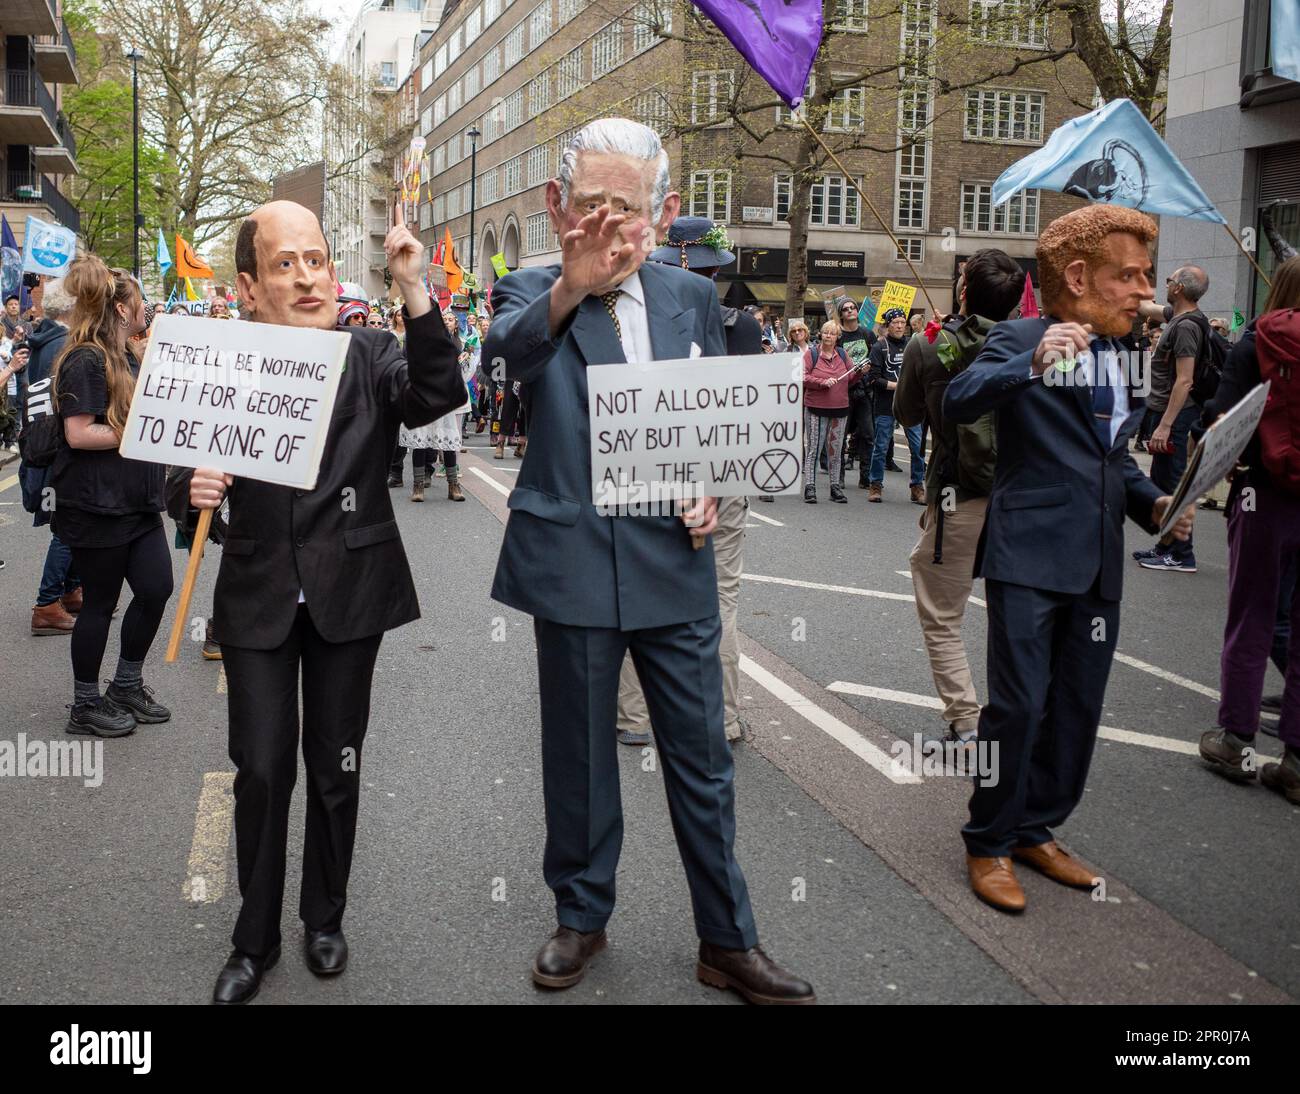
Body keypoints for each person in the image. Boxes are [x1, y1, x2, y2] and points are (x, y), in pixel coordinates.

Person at [485, 117, 813, 1004]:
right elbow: (505, 360)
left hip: (675, 559)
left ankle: (728, 939)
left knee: (703, 760)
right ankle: (581, 919)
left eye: (624, 210)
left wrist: (708, 479)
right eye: (589, 205)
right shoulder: (529, 287)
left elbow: (710, 418)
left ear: (661, 216)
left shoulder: (688, 298)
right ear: (559, 208)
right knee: (581, 758)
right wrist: (569, 290)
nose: (606, 226)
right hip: (575, 560)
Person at [186, 200, 463, 1004]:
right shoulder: (222, 361)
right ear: (247, 284)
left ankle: (325, 917)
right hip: (258, 593)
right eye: (284, 264)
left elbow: (438, 392)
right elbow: (178, 463)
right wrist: (188, 487)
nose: (306, 277)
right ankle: (254, 939)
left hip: (351, 591)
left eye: (315, 260)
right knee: (262, 768)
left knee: (335, 765)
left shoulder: (373, 354)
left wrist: (413, 289)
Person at [944, 205, 1195, 914]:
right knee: (1018, 707)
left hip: (1097, 563)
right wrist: (1030, 362)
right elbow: (958, 402)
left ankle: (1034, 828)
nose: (1145, 289)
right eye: (1130, 275)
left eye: (1149, 274)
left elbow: (1112, 459)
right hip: (1028, 556)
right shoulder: (1020, 336)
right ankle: (987, 839)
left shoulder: (1125, 357)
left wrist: (1154, 507)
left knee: (1076, 708)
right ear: (1079, 277)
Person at [615, 215, 757, 748]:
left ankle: (633, 715)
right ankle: (722, 717)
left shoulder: (636, 318)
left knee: (639, 587)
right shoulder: (741, 324)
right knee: (720, 598)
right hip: (721, 466)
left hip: (650, 466)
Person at [895, 249, 1024, 752]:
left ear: (964, 291)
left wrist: (930, 354)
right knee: (1018, 615)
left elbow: (906, 413)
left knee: (942, 613)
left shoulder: (931, 347)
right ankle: (1018, 720)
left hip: (958, 495)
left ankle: (967, 723)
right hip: (1021, 498)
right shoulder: (1036, 346)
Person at [47, 258, 172, 739]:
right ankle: (84, 704)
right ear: (122, 309)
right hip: (96, 504)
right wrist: (136, 430)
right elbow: (79, 434)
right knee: (100, 602)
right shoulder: (85, 358)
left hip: (137, 501)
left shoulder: (129, 356)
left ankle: (125, 684)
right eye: (140, 304)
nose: (145, 311)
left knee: (156, 587)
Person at [1198, 255, 1300, 803]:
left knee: (1253, 617)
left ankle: (1237, 739)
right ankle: (1296, 762)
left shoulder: (1257, 342)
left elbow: (1221, 419)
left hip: (1264, 493)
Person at [1132, 264, 1212, 572]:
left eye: (1170, 279)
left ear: (1178, 288)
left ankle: (1182, 553)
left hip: (1176, 417)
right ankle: (1165, 545)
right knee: (1162, 480)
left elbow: (1185, 380)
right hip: (1166, 414)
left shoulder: (1186, 327)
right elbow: (1146, 306)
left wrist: (1166, 424)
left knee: (1176, 482)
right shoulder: (1178, 316)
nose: (1166, 282)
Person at [19, 278, 83, 635]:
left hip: (42, 448)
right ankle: (46, 604)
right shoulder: (63, 344)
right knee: (67, 526)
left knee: (66, 521)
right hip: (57, 449)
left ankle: (71, 589)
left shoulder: (42, 340)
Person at [400, 306, 469, 503]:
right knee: (419, 441)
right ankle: (418, 485)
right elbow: (405, 363)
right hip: (420, 394)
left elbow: (453, 360)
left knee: (448, 440)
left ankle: (453, 484)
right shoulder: (411, 339)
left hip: (443, 394)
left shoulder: (446, 338)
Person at [866, 307, 925, 504]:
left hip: (911, 405)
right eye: (895, 323)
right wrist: (898, 386)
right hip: (885, 405)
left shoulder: (914, 345)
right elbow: (874, 379)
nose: (899, 326)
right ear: (888, 325)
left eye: (902, 322)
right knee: (881, 447)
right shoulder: (879, 347)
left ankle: (917, 486)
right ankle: (875, 485)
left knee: (917, 448)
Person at [801, 320, 856, 504]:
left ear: (837, 337)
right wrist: (821, 382)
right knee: (814, 449)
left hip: (840, 409)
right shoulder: (812, 354)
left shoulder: (842, 354)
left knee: (836, 450)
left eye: (832, 333)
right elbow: (803, 377)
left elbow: (850, 378)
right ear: (820, 334)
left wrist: (861, 372)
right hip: (816, 408)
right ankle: (810, 487)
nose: (828, 336)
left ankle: (835, 487)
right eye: (826, 332)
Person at [836, 297, 874, 479]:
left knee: (867, 434)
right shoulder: (839, 337)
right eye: (846, 309)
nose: (850, 311)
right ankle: (839, 477)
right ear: (841, 314)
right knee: (841, 436)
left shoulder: (867, 334)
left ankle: (865, 477)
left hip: (865, 391)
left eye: (853, 308)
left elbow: (875, 360)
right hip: (845, 391)